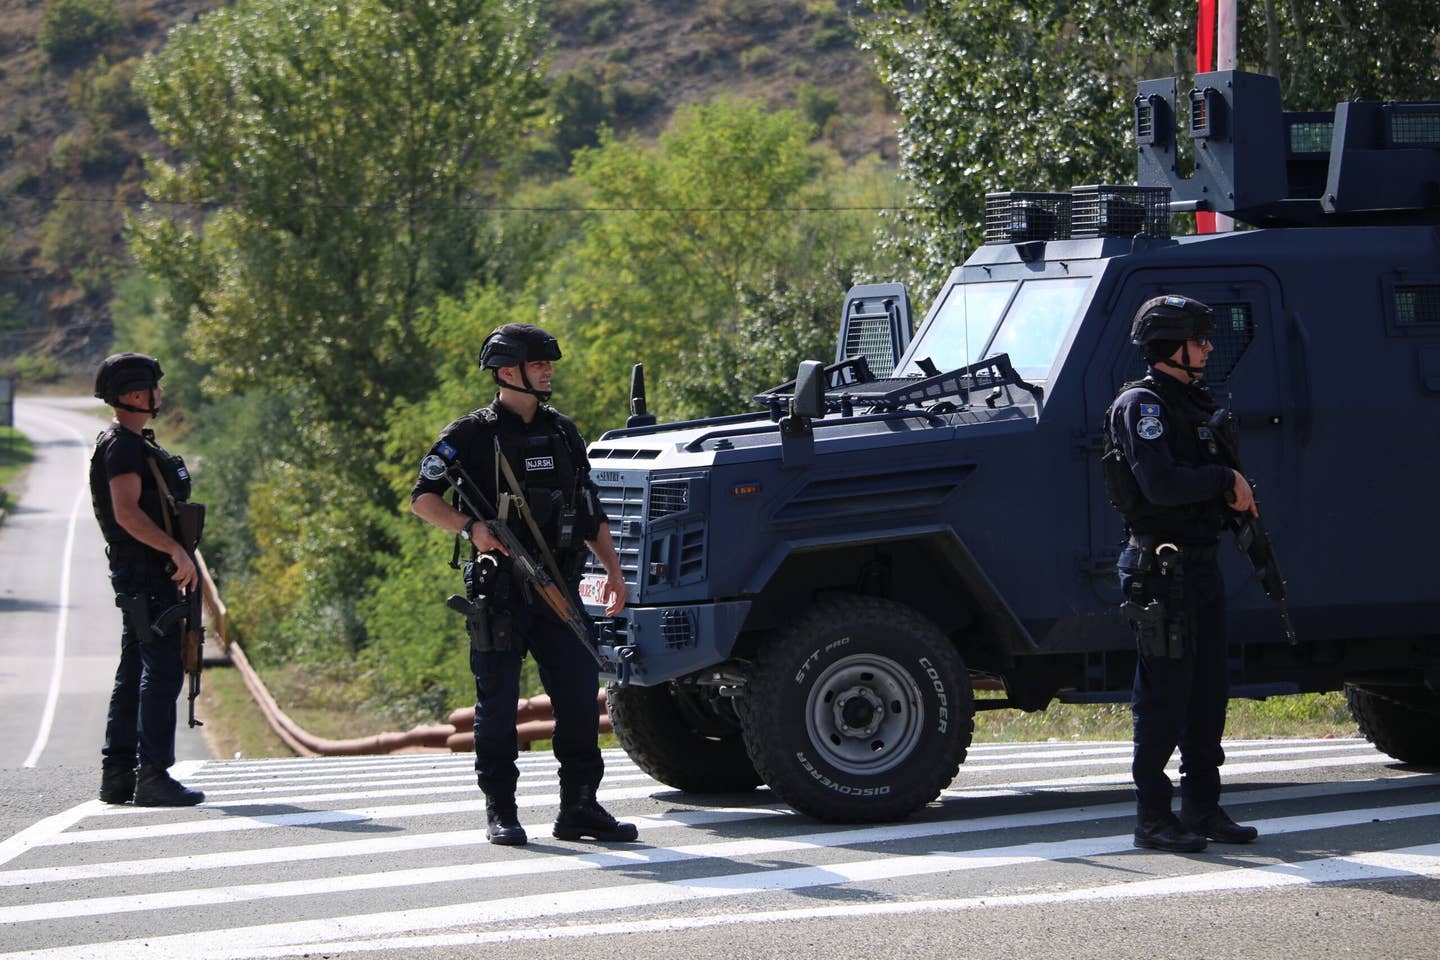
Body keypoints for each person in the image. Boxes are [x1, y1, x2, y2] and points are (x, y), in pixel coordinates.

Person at [411, 322, 634, 846]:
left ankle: (579, 807)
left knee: (579, 695)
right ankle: (502, 810)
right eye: (539, 365)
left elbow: (588, 509)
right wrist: (472, 528)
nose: (548, 372)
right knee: (498, 703)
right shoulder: (470, 435)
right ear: (508, 373)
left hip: (560, 587)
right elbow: (423, 497)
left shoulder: (563, 432)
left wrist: (614, 571)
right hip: (502, 593)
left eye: (548, 364)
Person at [1102, 295, 1260, 853]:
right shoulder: (1143, 407)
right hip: (1159, 571)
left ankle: (1201, 806)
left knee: (1208, 691)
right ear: (1171, 348)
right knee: (1164, 695)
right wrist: (1223, 479)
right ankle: (1152, 817)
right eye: (1199, 340)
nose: (1209, 348)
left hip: (1198, 565)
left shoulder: (1191, 402)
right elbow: (1161, 485)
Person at [89, 352, 204, 806]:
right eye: (154, 386)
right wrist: (174, 550)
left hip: (140, 571)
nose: (160, 393)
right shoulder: (123, 447)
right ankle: (153, 775)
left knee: (135, 666)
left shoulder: (128, 443)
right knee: (161, 670)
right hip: (146, 572)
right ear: (136, 395)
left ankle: (119, 776)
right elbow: (126, 512)